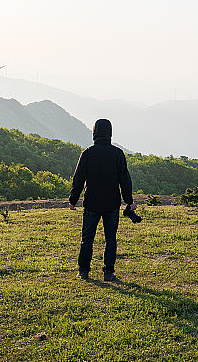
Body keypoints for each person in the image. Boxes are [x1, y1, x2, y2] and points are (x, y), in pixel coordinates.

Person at [69, 118, 137, 281]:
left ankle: (83, 271)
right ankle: (108, 272)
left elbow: (78, 179)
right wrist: (129, 201)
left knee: (87, 239)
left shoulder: (87, 154)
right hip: (112, 203)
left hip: (91, 203)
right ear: (110, 134)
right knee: (110, 239)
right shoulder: (117, 154)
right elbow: (124, 179)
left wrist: (73, 199)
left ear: (94, 133)